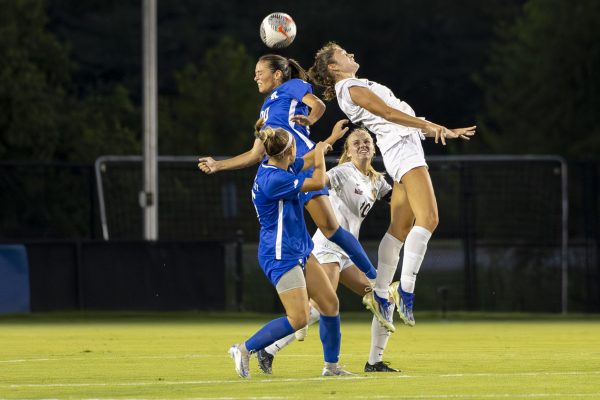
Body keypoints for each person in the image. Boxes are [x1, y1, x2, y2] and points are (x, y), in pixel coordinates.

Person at [307, 42, 476, 330]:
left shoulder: (354, 84)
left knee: (400, 228)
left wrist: (436, 127)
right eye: (343, 54)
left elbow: (392, 113)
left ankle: (383, 293)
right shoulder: (348, 87)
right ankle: (405, 289)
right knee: (430, 218)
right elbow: (387, 113)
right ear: (334, 67)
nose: (351, 54)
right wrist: (431, 127)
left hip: (402, 145)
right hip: (401, 148)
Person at [198, 54, 378, 284]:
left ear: (277, 74)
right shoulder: (265, 110)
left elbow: (318, 105)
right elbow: (255, 154)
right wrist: (218, 165)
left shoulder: (291, 86)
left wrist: (311, 120)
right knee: (317, 230)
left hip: (304, 161)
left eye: (259, 72)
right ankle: (328, 289)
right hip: (286, 170)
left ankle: (377, 282)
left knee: (331, 228)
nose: (255, 77)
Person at [256, 128, 401, 374]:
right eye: (356, 142)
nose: (362, 145)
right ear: (348, 150)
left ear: (374, 148)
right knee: (320, 307)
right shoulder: (342, 173)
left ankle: (374, 362)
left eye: (367, 141)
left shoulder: (377, 180)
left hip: (346, 253)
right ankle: (268, 349)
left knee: (384, 300)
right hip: (327, 247)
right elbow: (317, 184)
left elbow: (398, 198)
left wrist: (412, 187)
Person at [229, 121, 351, 378]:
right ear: (288, 152)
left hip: (299, 250)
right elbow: (318, 179)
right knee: (299, 318)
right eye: (295, 146)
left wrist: (329, 140)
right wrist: (319, 153)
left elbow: (307, 160)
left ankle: (331, 368)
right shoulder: (275, 180)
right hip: (280, 254)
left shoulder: (278, 166)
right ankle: (244, 349)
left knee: (330, 304)